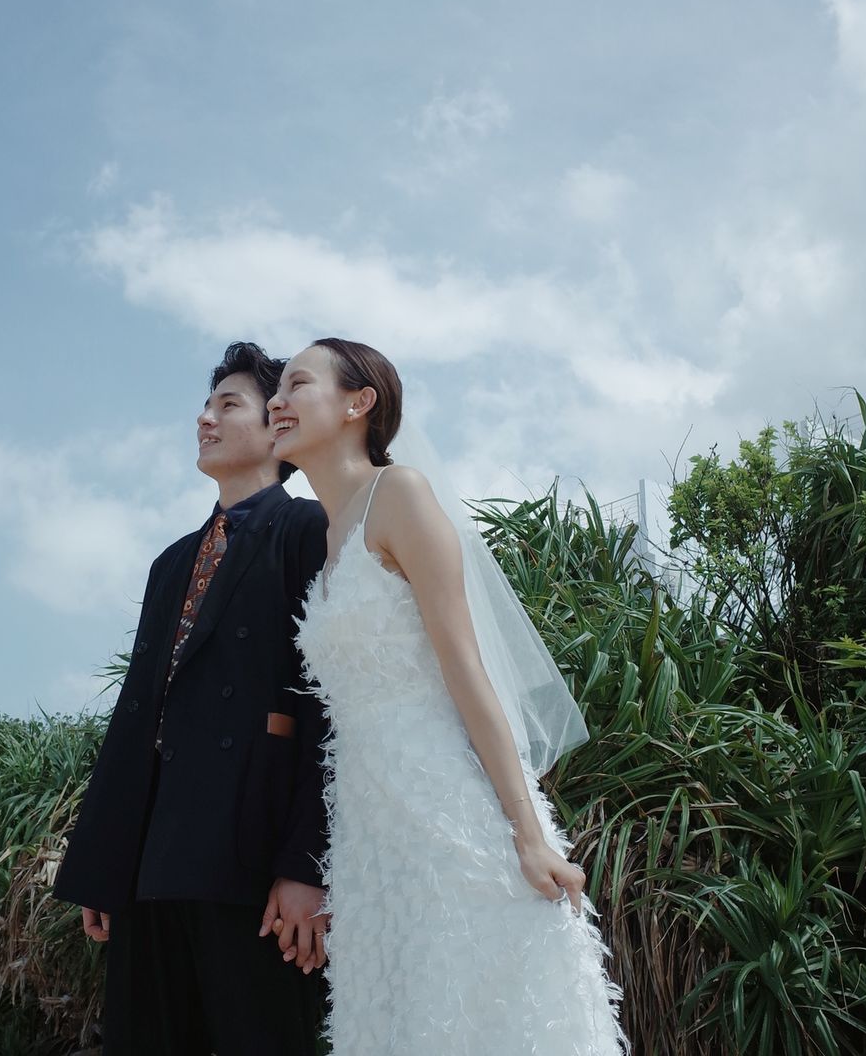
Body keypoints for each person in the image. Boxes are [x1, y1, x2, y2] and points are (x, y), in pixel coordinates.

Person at [267, 337, 625, 1055]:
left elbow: (466, 669)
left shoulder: (398, 495)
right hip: (370, 833)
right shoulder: (328, 535)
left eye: (296, 384)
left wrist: (527, 835)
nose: (276, 401)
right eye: (275, 389)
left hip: (449, 809)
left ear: (358, 403)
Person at [53, 342, 330, 1056]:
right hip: (152, 861)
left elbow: (330, 707)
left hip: (254, 862)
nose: (204, 419)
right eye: (205, 406)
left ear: (276, 423)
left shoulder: (309, 531)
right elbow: (136, 718)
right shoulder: (171, 561)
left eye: (227, 404)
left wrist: (308, 865)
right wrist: (105, 865)